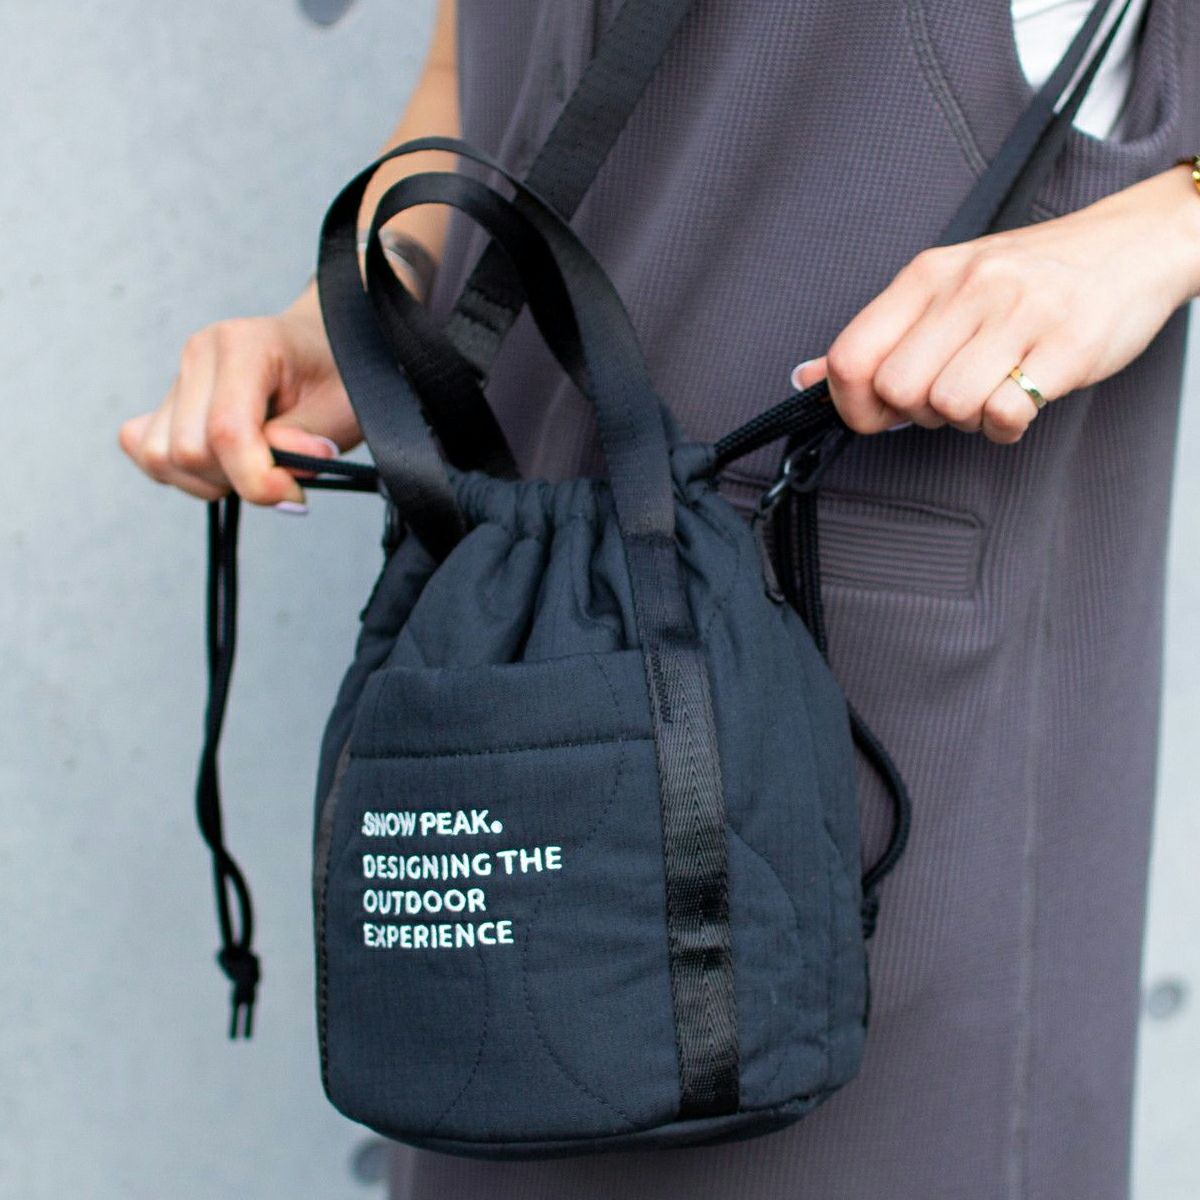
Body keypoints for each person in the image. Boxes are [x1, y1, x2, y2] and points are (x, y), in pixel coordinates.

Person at [119, 0, 1200, 1196]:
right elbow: (471, 64)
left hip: (852, 679)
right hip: (496, 655)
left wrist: (1164, 223)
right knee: (490, 1102)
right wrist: (382, 301)